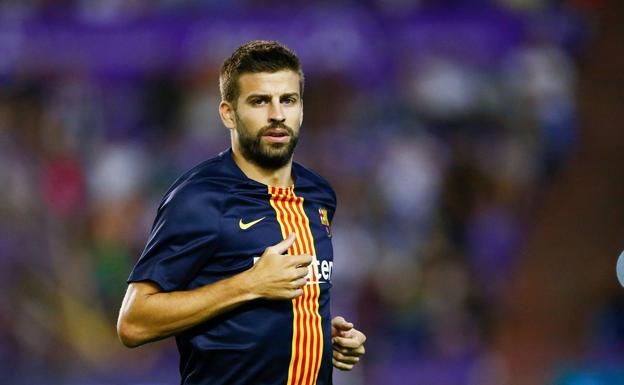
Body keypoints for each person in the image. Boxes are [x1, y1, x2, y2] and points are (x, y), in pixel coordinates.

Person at [117, 40, 366, 385]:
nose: (277, 114)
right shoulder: (200, 197)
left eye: (288, 100)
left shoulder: (318, 195)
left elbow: (274, 310)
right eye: (259, 101)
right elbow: (133, 322)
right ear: (228, 113)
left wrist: (321, 337)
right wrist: (249, 284)